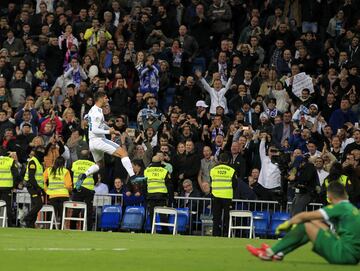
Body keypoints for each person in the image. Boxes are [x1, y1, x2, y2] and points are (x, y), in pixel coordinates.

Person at [247, 181, 360, 265]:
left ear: (330, 196)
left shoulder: (341, 207)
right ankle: (279, 253)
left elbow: (304, 215)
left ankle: (269, 252)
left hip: (343, 255)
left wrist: (288, 223)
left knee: (306, 225)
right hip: (352, 255)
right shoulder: (351, 208)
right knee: (313, 223)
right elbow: (318, 223)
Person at [76, 91, 136, 187]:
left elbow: (95, 121)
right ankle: (133, 177)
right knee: (123, 153)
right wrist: (109, 132)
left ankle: (83, 175)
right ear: (101, 99)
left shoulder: (94, 110)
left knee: (100, 164)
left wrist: (110, 128)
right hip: (99, 140)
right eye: (106, 98)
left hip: (92, 143)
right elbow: (95, 129)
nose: (107, 100)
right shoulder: (97, 113)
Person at [144, 155, 173, 233]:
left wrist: (145, 196)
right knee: (163, 214)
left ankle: (153, 230)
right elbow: (169, 186)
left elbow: (144, 185)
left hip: (150, 196)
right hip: (161, 196)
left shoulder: (147, 171)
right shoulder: (164, 171)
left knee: (152, 214)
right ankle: (165, 231)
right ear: (160, 162)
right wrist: (171, 198)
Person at [210, 152, 237, 237]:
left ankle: (215, 234)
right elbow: (235, 184)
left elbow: (211, 182)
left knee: (216, 217)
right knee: (227, 217)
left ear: (219, 160)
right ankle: (226, 234)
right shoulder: (231, 170)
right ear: (228, 160)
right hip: (227, 196)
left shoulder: (213, 170)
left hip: (215, 195)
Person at [71, 158, 97, 230]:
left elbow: (72, 174)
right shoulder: (92, 164)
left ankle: (72, 228)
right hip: (88, 190)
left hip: (77, 189)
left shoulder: (75, 163)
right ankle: (89, 229)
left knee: (76, 210)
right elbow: (96, 178)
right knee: (89, 211)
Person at [23, 146, 45, 228]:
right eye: (41, 151)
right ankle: (27, 218)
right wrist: (38, 188)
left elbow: (39, 178)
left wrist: (42, 189)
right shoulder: (33, 162)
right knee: (39, 204)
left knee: (35, 205)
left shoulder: (38, 162)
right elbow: (31, 177)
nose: (43, 153)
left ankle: (30, 224)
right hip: (32, 187)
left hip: (36, 187)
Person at [0, 152, 21, 227]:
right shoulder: (10, 161)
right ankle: (9, 224)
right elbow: (16, 175)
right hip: (7, 187)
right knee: (7, 206)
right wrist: (14, 186)